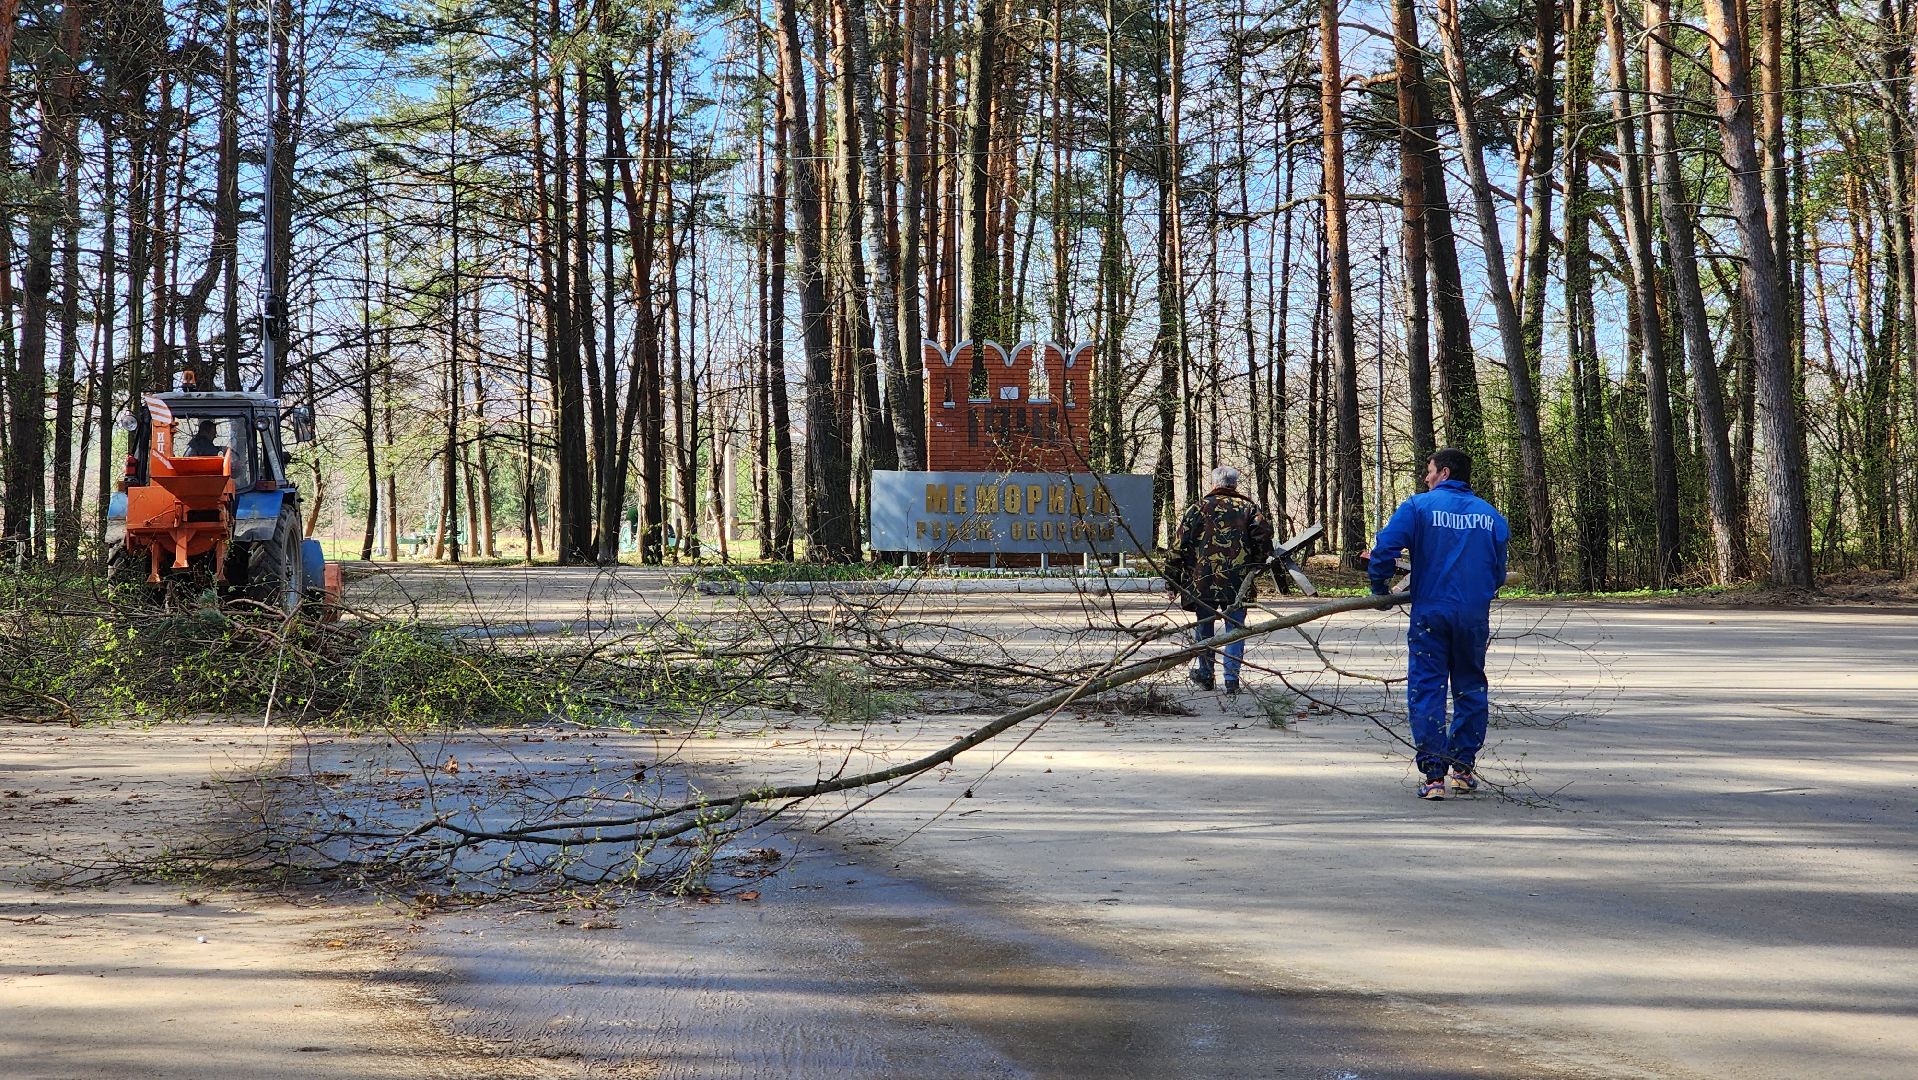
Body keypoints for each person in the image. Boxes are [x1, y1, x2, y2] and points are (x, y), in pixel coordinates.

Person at [1366, 447, 1509, 801]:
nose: (1426, 477)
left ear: (1444, 472)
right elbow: (1498, 573)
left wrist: (1380, 587)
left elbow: (1385, 548)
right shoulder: (1490, 516)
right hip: (1472, 617)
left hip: (1431, 613)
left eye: (1429, 471)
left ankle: (1433, 777)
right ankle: (1461, 768)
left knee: (1427, 687)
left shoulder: (1418, 507)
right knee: (1470, 686)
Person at [1164, 466, 1274, 695]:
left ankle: (1206, 674)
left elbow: (1178, 546)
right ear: (1235, 484)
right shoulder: (1249, 508)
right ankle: (1232, 680)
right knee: (1235, 628)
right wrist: (1256, 565)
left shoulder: (1198, 508)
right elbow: (1263, 538)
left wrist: (1172, 580)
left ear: (1214, 484)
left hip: (1202, 580)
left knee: (1204, 626)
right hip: (1238, 582)